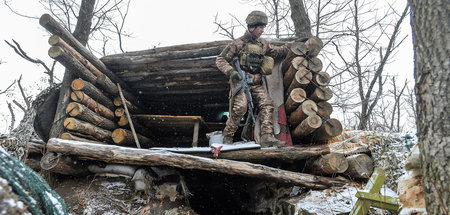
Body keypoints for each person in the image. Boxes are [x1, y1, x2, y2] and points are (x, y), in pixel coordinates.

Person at [216, 10, 289, 147]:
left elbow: (277, 52)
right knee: (240, 108)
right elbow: (220, 59)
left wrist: (292, 45)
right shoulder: (237, 44)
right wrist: (231, 72)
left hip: (255, 83)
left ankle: (267, 136)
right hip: (240, 83)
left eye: (263, 27)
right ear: (252, 27)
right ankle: (227, 136)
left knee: (267, 104)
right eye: (260, 27)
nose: (262, 30)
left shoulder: (263, 44)